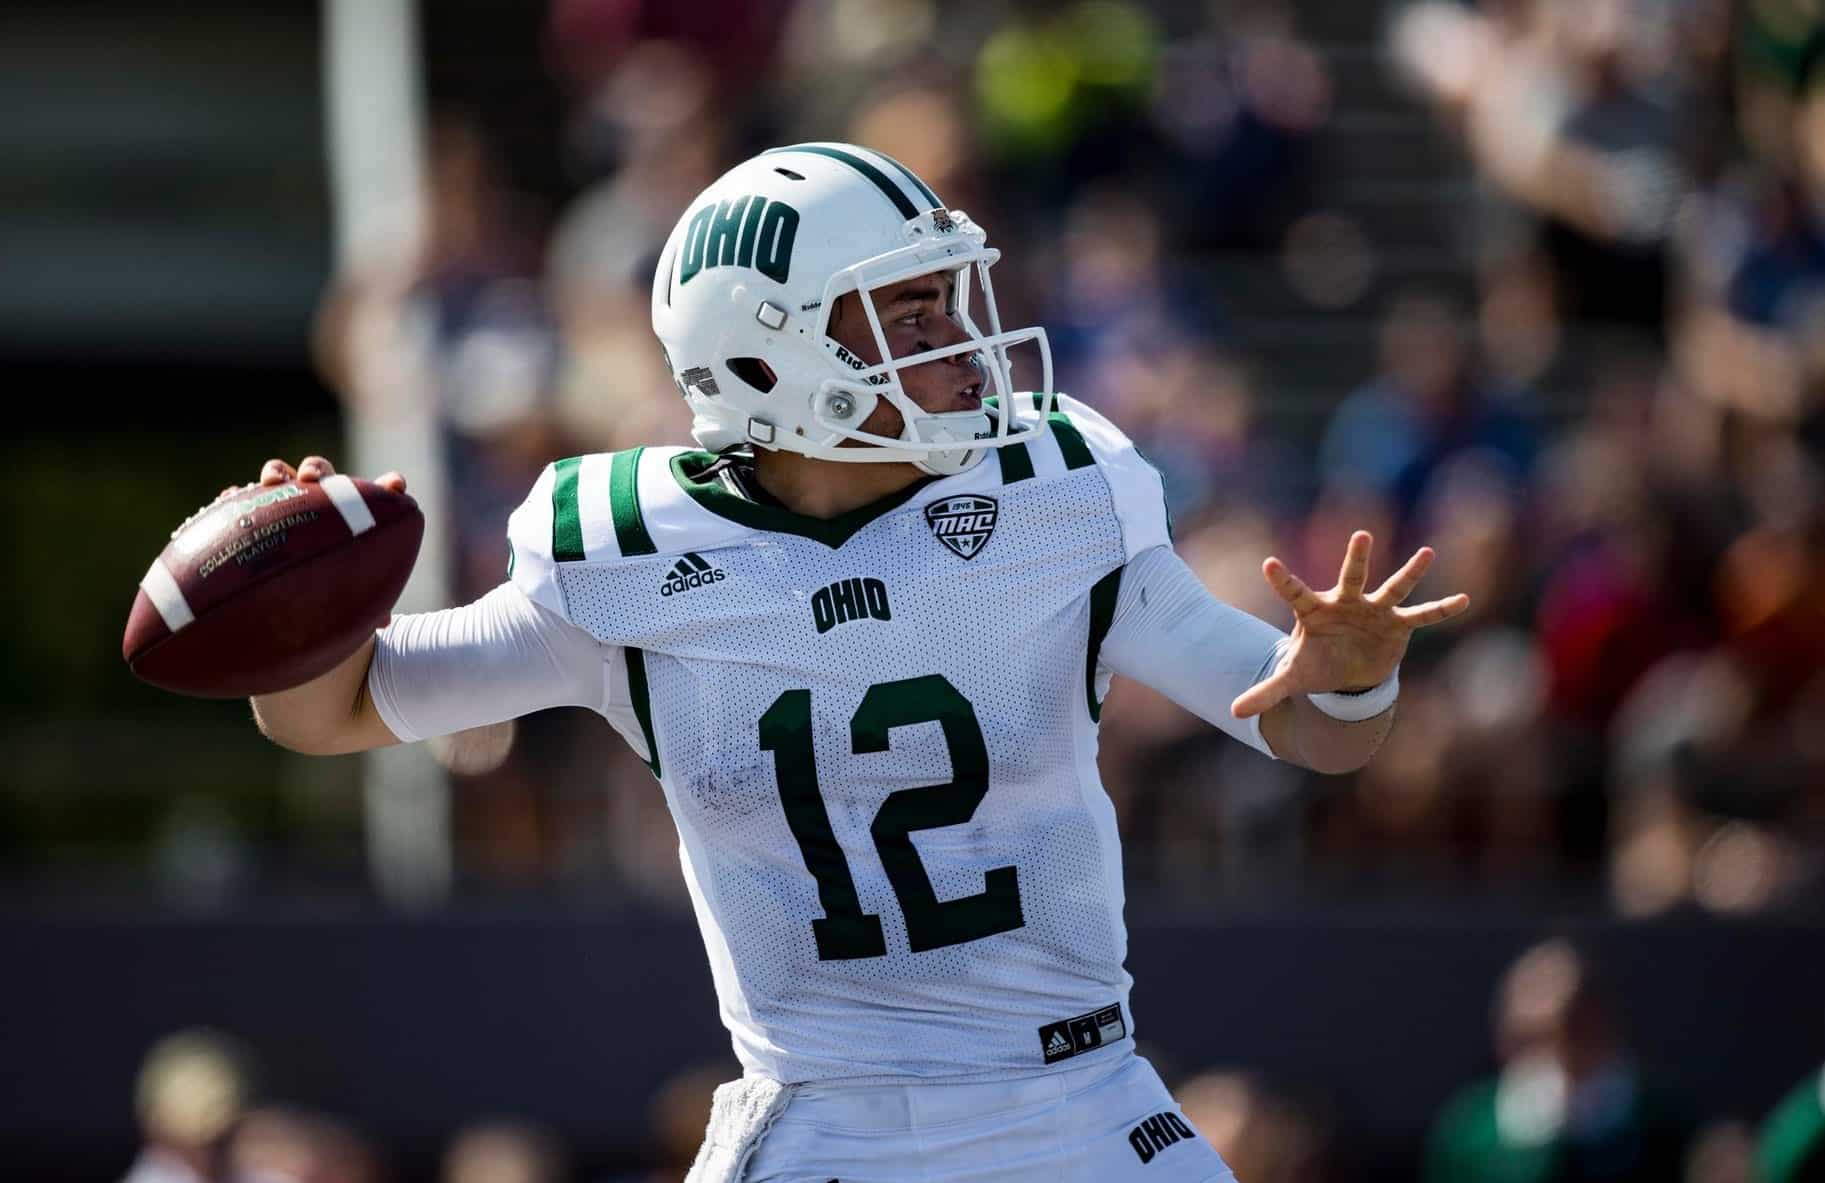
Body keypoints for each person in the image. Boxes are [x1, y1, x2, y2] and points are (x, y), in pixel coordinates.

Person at [248, 142, 1468, 1182]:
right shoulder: (618, 549)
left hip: (1073, 1094)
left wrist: (1350, 676)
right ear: (771, 356)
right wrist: (278, 615)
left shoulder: (1057, 487)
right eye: (910, 311)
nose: (961, 340)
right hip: (816, 1113)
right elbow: (338, 709)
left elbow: (1309, 728)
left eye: (948, 298)